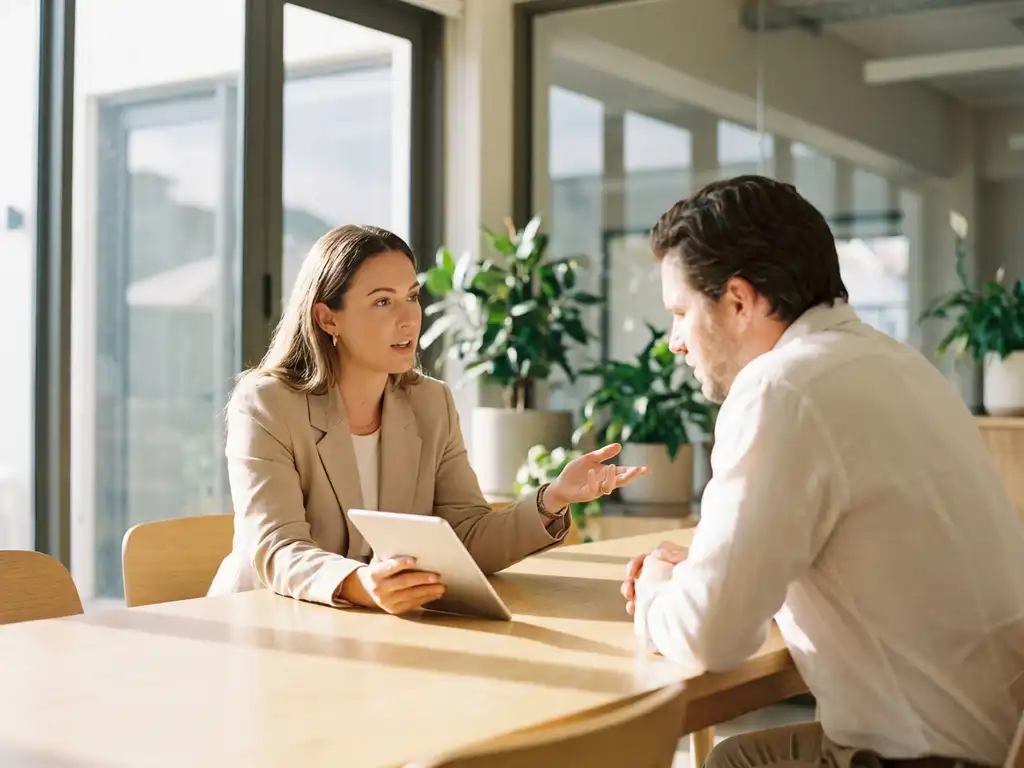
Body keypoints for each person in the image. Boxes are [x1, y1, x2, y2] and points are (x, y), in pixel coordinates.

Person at [620, 176, 1024, 768]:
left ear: (738, 300)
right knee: (734, 759)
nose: (676, 342)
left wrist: (658, 588)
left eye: (681, 311)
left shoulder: (780, 390)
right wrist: (716, 572)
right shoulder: (897, 364)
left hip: (928, 756)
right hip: (999, 736)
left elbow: (712, 638)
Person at [209, 224, 647, 615]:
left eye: (412, 296)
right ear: (328, 318)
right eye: (382, 301)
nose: (408, 319)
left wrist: (553, 496)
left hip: (376, 630)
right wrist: (360, 584)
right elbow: (277, 546)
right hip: (264, 622)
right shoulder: (267, 403)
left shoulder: (430, 403)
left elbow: (467, 536)